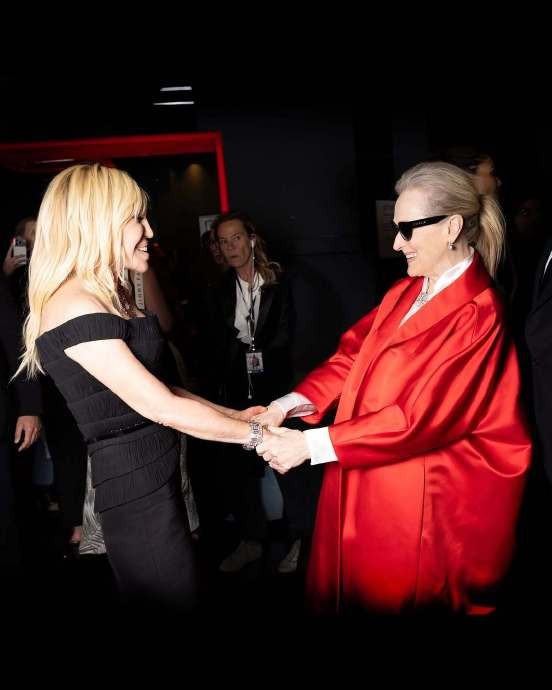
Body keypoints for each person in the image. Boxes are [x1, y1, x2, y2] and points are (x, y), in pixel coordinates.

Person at [253, 161, 531, 615]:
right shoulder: (406, 291)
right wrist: (286, 405)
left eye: (407, 229)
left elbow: (422, 419)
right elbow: (350, 357)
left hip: (424, 493)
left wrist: (309, 445)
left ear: (451, 227)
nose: (398, 243)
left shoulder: (481, 313)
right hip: (370, 464)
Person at [16, 163, 267, 611]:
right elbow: (161, 405)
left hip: (157, 471)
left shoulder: (105, 294)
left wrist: (236, 417)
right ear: (99, 222)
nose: (149, 231)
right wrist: (260, 437)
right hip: (135, 488)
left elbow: (162, 388)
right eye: (137, 219)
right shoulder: (73, 305)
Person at [197, 211, 301, 573]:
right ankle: (251, 541)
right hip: (238, 389)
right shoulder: (218, 290)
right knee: (239, 469)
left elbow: (292, 336)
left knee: (291, 465)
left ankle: (301, 539)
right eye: (224, 242)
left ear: (252, 240)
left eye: (237, 238)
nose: (231, 247)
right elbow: (214, 344)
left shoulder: (281, 282)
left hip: (280, 387)